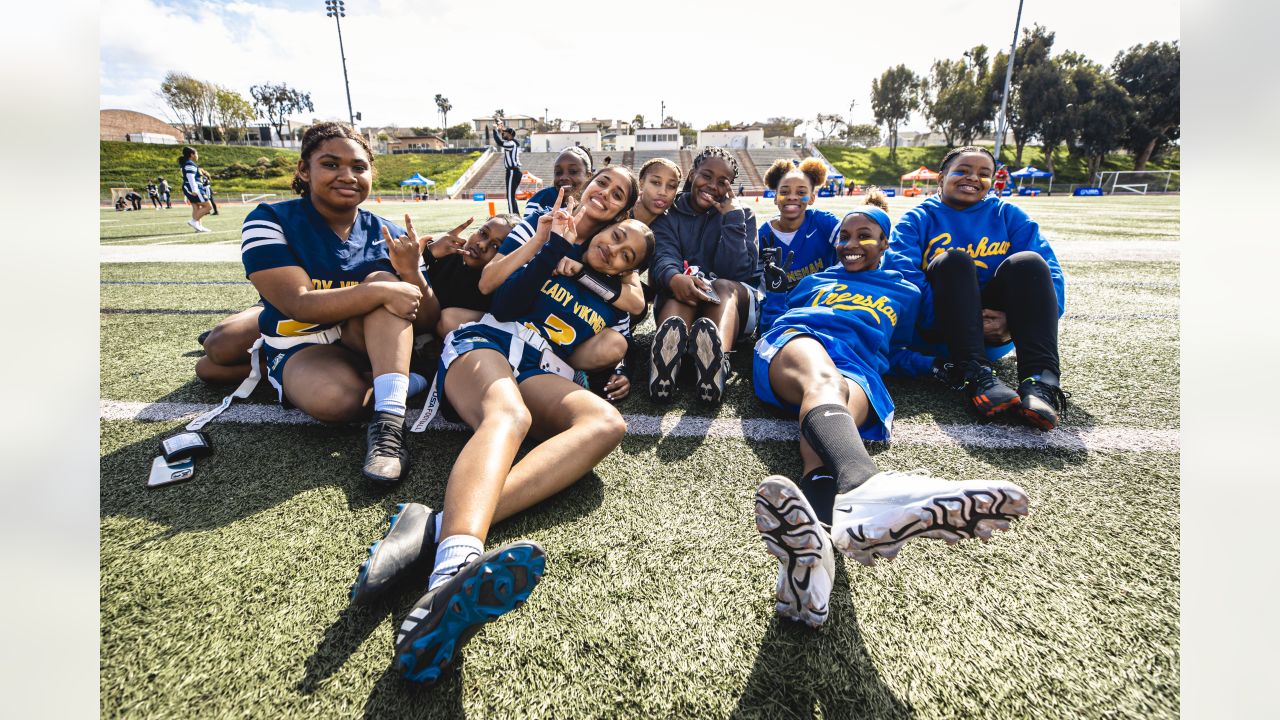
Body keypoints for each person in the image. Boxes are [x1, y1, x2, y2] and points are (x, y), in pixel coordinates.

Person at [349, 189, 655, 685]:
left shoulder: (616, 299)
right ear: (602, 227)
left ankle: (432, 527)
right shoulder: (556, 244)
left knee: (606, 424)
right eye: (616, 238)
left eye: (627, 256)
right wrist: (553, 249)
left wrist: (614, 363)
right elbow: (506, 300)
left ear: (629, 270)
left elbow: (595, 347)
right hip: (489, 341)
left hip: (542, 364)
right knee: (509, 417)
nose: (615, 251)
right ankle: (452, 569)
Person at [752, 192, 1031, 627]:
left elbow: (905, 349)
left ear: (886, 243)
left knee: (826, 443)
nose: (850, 243)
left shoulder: (907, 290)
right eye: (844, 236)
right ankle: (865, 483)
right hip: (798, 346)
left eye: (865, 236)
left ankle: (814, 565)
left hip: (858, 368)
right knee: (822, 382)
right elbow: (774, 317)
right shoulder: (814, 283)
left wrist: (979, 344)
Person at [239, 122, 441, 485]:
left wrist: (412, 273)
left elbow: (427, 319)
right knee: (337, 403)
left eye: (359, 167)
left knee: (384, 281)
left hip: (366, 340)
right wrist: (380, 292)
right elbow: (298, 304)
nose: (347, 175)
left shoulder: (389, 232)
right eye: (331, 164)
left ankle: (389, 430)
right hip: (303, 344)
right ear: (304, 169)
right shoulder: (269, 220)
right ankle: (411, 380)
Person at [884, 145, 1068, 430]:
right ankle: (976, 375)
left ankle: (1039, 382)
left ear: (992, 182)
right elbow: (900, 277)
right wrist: (963, 321)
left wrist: (1012, 322)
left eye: (984, 174)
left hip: (994, 335)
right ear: (941, 178)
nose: (972, 178)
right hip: (939, 334)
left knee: (1028, 263)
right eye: (962, 171)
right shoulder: (917, 219)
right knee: (954, 260)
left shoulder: (1009, 215)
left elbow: (1050, 274)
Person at [483, 165, 646, 402]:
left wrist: (622, 370)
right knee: (452, 319)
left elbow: (637, 303)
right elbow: (487, 285)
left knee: (615, 343)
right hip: (512, 320)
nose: (604, 193)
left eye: (617, 195)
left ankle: (559, 369)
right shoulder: (541, 222)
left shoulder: (604, 251)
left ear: (621, 215)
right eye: (602, 183)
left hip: (557, 342)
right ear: (588, 183)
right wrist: (542, 242)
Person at [648, 146, 761, 404]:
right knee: (676, 286)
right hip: (686, 303)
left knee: (720, 285)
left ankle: (714, 360)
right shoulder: (669, 212)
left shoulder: (743, 215)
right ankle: (667, 367)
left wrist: (733, 220)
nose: (712, 185)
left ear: (731, 187)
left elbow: (738, 272)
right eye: (706, 176)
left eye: (722, 182)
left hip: (729, 304)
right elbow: (663, 256)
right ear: (692, 174)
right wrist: (674, 278)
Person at [756, 158, 841, 332]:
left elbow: (853, 247)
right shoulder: (763, 236)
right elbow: (757, 287)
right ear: (775, 198)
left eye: (801, 191)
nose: (792, 197)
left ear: (811, 198)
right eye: (784, 192)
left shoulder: (824, 222)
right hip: (783, 307)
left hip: (823, 301)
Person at [522, 146, 593, 217]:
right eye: (558, 172)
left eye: (573, 171)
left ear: (588, 176)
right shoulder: (540, 200)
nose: (564, 177)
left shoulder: (596, 204)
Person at [179, 146, 213, 233]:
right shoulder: (190, 164)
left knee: (196, 208)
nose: (197, 155)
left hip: (190, 187)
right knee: (208, 206)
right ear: (192, 154)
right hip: (194, 187)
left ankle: (199, 227)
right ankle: (194, 221)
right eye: (196, 153)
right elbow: (190, 177)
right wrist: (194, 190)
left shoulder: (187, 163)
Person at [492, 117, 522, 214]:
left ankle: (513, 216)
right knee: (511, 196)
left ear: (510, 135)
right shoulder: (513, 142)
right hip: (514, 171)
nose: (503, 134)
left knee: (510, 196)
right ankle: (515, 215)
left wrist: (494, 130)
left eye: (505, 133)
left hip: (513, 171)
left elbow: (499, 142)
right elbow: (503, 137)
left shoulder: (511, 143)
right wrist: (501, 128)